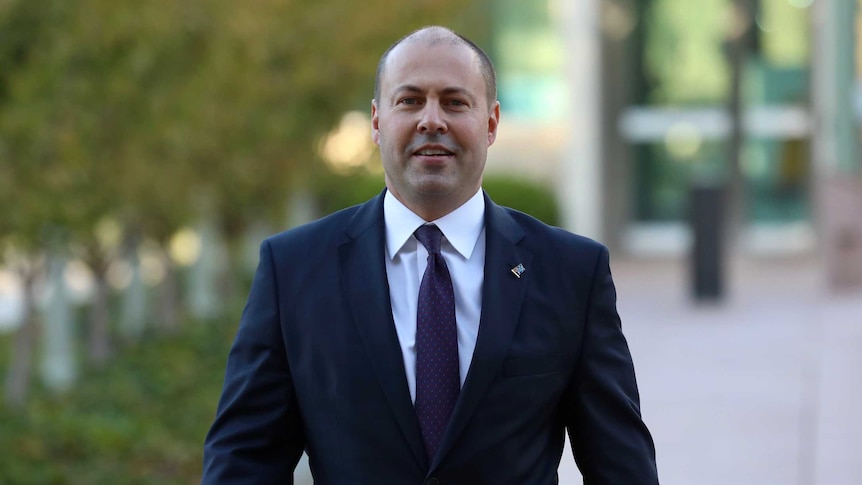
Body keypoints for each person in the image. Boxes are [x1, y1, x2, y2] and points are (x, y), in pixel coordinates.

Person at [202, 26, 658, 484]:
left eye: (455, 102)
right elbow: (244, 460)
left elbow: (621, 466)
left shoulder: (571, 273)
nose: (431, 120)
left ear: (492, 123)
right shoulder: (295, 270)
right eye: (410, 100)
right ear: (377, 123)